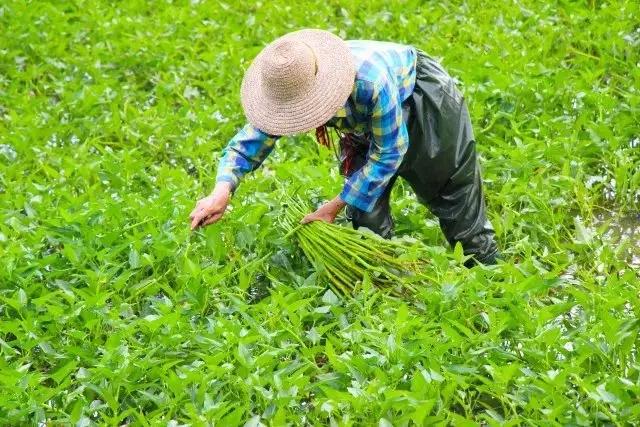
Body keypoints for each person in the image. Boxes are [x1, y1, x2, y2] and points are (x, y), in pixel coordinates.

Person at [189, 29, 499, 266]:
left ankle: (485, 277)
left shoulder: (369, 84)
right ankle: (382, 282)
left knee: (452, 192)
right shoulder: (288, 82)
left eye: (304, 108)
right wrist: (222, 190)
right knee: (365, 214)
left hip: (423, 99)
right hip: (363, 117)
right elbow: (249, 143)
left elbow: (390, 151)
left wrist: (333, 205)